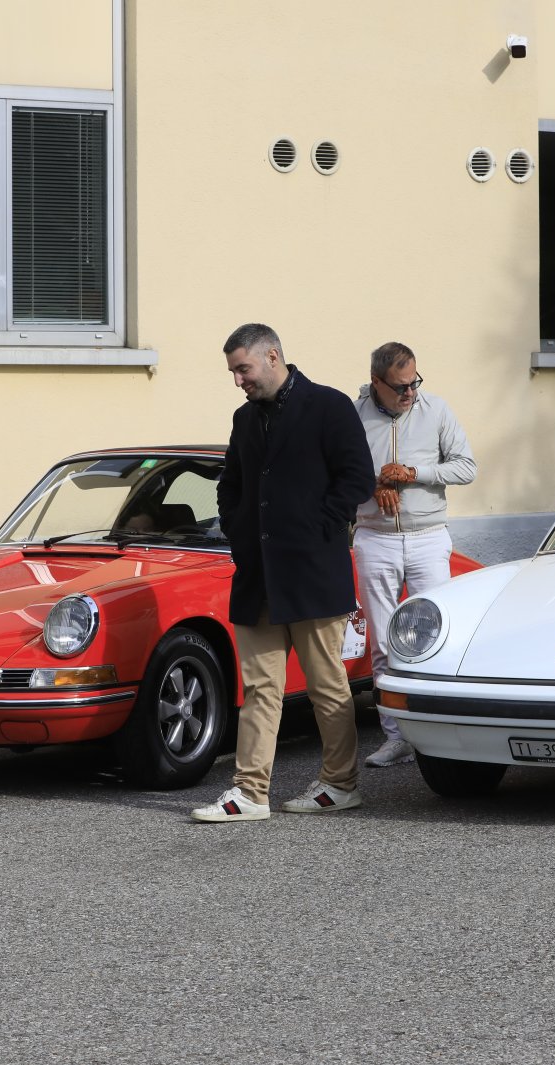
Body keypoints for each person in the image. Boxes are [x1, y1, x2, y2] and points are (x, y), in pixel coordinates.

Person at [192, 324, 375, 822]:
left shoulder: (329, 406)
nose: (238, 380)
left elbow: (357, 477)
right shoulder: (244, 417)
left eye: (243, 369)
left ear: (272, 356)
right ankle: (250, 793)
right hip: (258, 576)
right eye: (233, 372)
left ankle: (340, 784)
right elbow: (230, 484)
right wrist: (237, 528)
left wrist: (320, 528)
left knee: (327, 687)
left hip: (313, 572)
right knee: (259, 689)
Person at [352, 341, 476, 767]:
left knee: (435, 637)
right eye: (400, 386)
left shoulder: (436, 409)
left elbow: (466, 467)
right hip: (374, 536)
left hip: (428, 536)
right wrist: (374, 483)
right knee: (384, 642)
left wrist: (412, 473)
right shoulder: (354, 415)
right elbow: (335, 471)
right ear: (376, 382)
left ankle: (439, 735)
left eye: (414, 383)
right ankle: (395, 738)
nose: (410, 393)